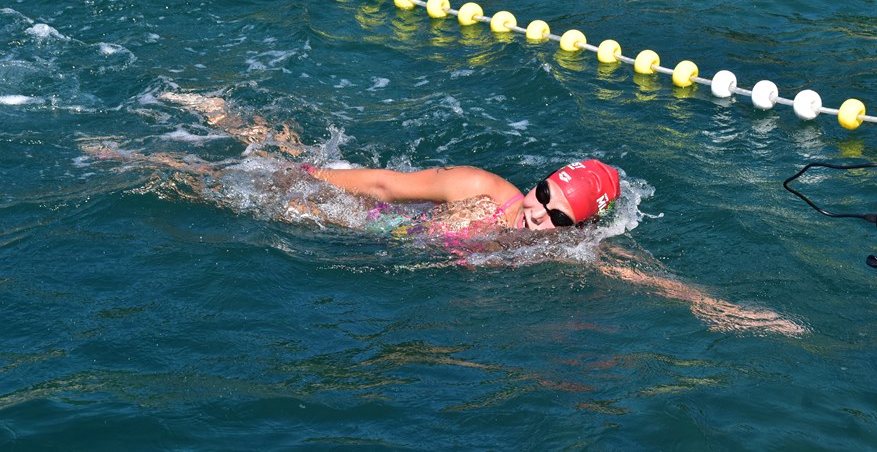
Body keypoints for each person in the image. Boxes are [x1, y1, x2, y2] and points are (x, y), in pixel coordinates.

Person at [82, 91, 806, 337]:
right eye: (541, 194)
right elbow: (383, 186)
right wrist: (306, 181)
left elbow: (649, 278)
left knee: (270, 170)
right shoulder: (478, 188)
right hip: (354, 218)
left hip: (393, 248)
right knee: (245, 183)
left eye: (557, 216)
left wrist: (718, 308)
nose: (537, 213)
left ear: (579, 228)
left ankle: (252, 137)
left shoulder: (567, 249)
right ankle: (153, 151)